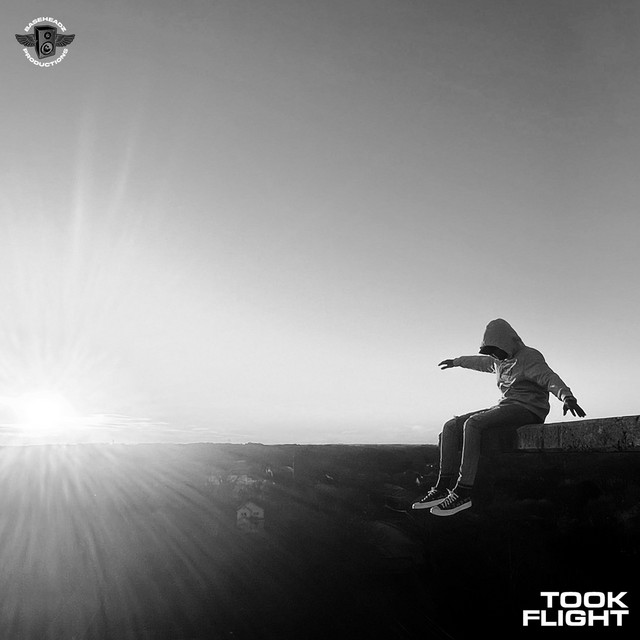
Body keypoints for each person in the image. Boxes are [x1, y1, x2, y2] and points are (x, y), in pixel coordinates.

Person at [412, 318, 585, 517]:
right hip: (506, 406)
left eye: (496, 350)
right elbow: (480, 362)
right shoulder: (499, 360)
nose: (494, 356)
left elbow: (548, 377)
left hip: (528, 409)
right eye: (491, 352)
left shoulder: (529, 356)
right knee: (450, 426)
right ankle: (442, 486)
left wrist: (566, 396)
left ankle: (463, 491)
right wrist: (457, 362)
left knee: (473, 424)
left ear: (506, 343)